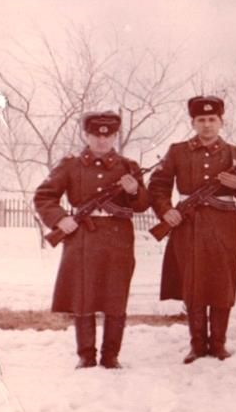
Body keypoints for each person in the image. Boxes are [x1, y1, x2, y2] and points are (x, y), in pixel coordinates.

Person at [34, 112, 150, 369]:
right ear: (86, 135)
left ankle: (111, 356)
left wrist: (134, 191)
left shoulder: (128, 166)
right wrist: (59, 219)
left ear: (115, 136)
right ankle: (86, 356)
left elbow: (143, 204)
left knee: (115, 296)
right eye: (96, 134)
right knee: (82, 296)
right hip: (82, 236)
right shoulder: (70, 165)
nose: (101, 140)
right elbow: (44, 196)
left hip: (118, 239)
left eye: (108, 135)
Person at [149, 96, 236, 364]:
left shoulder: (235, 154)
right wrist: (167, 211)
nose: (207, 125)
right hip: (189, 224)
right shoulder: (178, 151)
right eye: (201, 120)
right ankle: (197, 345)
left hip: (225, 226)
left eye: (212, 120)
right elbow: (158, 186)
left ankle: (219, 344)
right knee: (194, 283)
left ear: (221, 122)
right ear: (193, 122)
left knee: (222, 283)